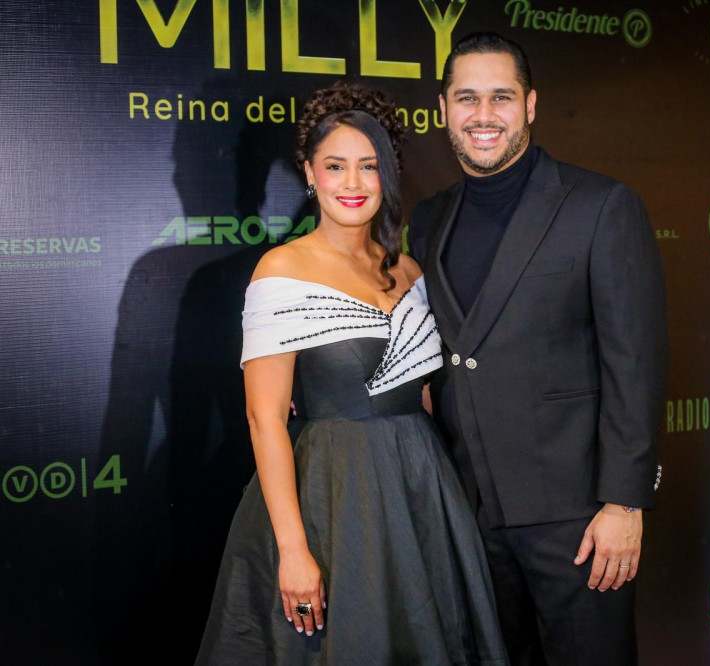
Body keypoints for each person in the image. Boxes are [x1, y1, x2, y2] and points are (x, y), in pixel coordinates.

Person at [195, 82, 509, 665]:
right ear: (309, 173)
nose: (353, 183)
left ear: (386, 175)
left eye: (369, 166)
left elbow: (426, 394)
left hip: (421, 490)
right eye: (335, 166)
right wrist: (292, 549)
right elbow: (265, 419)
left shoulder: (411, 269)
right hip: (332, 498)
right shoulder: (282, 269)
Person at [408, 32, 668, 666]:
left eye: (501, 96)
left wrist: (624, 501)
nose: (483, 115)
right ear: (444, 109)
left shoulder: (600, 205)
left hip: (577, 519)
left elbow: (635, 362)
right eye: (467, 98)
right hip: (470, 514)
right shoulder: (428, 219)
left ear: (530, 105)